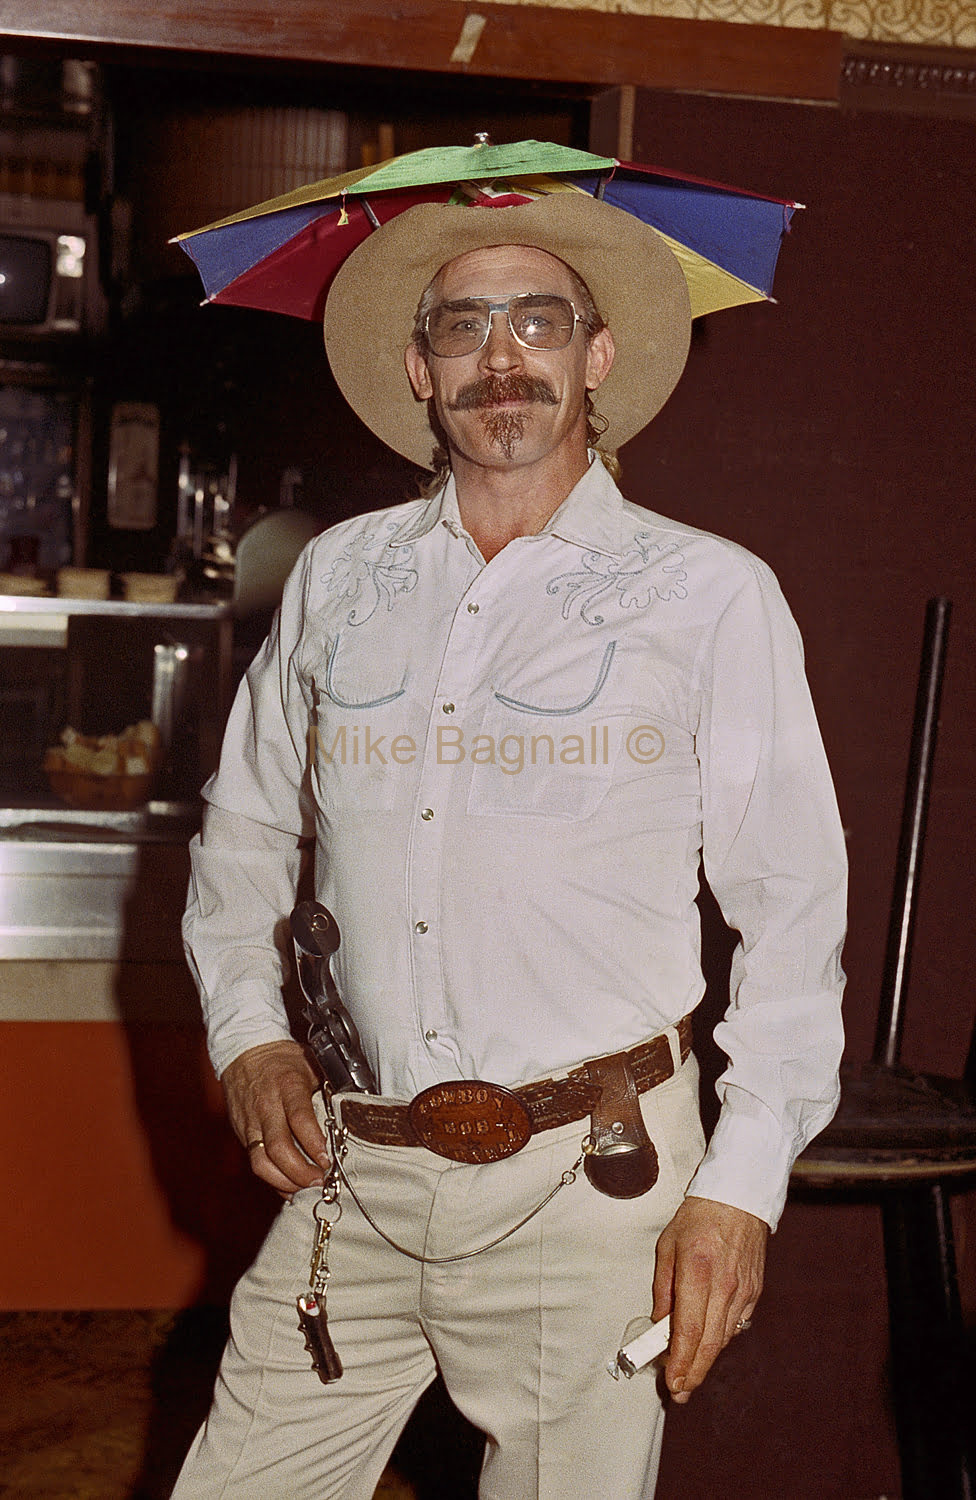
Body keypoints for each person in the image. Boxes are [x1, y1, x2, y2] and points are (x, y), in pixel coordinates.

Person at [173, 190, 846, 1499]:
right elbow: (248, 821)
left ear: (596, 356)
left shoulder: (708, 595)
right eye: (465, 324)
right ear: (420, 369)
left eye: (539, 319)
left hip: (590, 1184)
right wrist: (248, 1031)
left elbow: (796, 905)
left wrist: (745, 1183)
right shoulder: (338, 576)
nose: (502, 357)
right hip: (354, 1172)